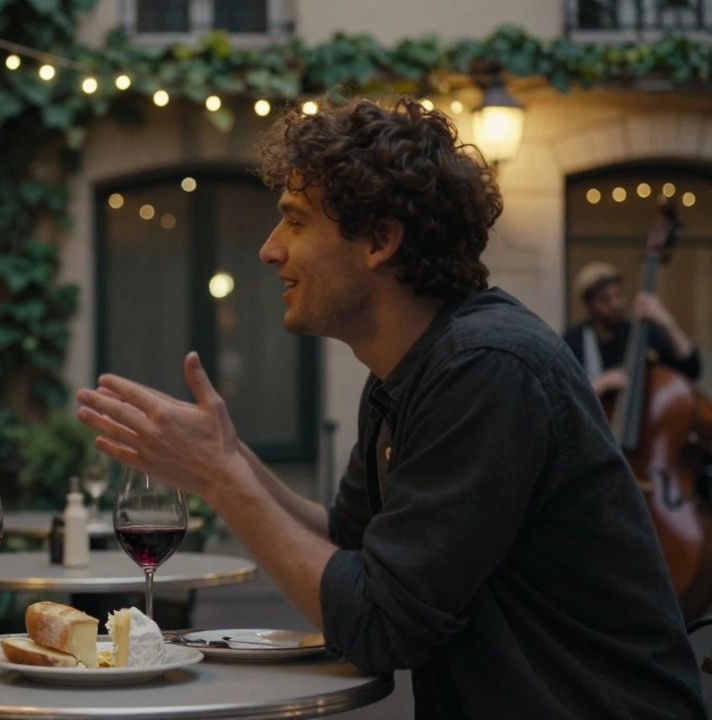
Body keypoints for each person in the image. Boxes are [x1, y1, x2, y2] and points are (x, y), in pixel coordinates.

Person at [75, 98, 704, 719]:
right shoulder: (409, 371)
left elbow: (378, 624)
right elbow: (348, 543)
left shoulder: (487, 367)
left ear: (379, 239)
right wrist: (230, 457)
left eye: (294, 221)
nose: (270, 249)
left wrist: (221, 476)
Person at [563, 260, 701, 398]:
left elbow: (690, 370)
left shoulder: (641, 332)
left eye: (618, 295)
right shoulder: (573, 340)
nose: (615, 304)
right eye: (605, 300)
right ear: (589, 305)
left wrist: (668, 323)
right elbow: (562, 396)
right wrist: (596, 387)